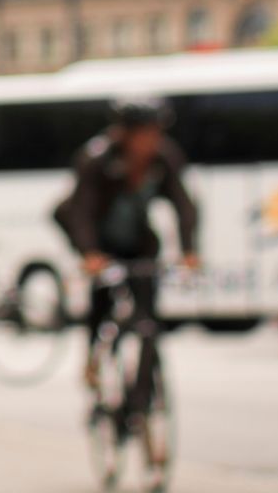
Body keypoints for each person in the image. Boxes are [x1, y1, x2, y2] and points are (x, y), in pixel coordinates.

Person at [55, 97, 199, 388]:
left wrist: (189, 250)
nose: (150, 141)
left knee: (148, 319)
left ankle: (143, 393)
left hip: (139, 242)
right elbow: (81, 212)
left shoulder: (164, 157)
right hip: (102, 242)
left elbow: (184, 205)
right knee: (102, 303)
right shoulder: (96, 159)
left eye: (155, 133)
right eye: (143, 134)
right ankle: (93, 359)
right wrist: (89, 253)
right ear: (123, 133)